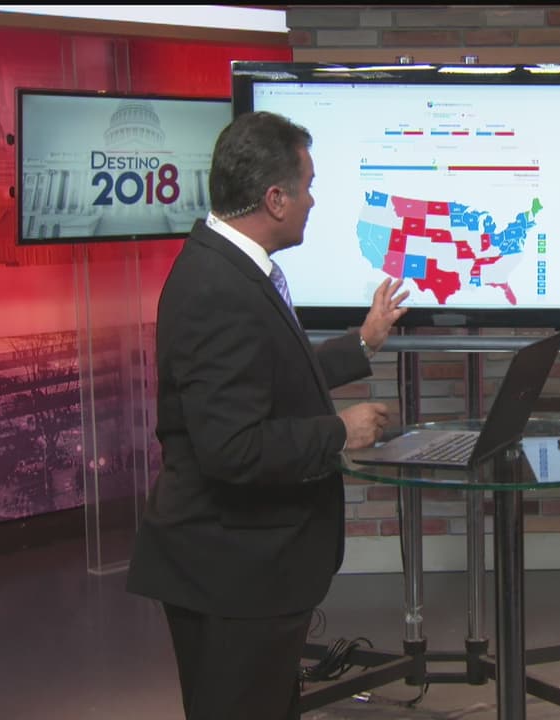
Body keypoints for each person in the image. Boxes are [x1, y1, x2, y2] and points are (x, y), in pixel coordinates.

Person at [126, 111, 409, 720]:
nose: (313, 201)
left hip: (243, 572)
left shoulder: (228, 269)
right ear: (275, 199)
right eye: (307, 187)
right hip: (229, 575)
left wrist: (362, 343)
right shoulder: (217, 290)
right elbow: (232, 447)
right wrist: (338, 432)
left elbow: (266, 377)